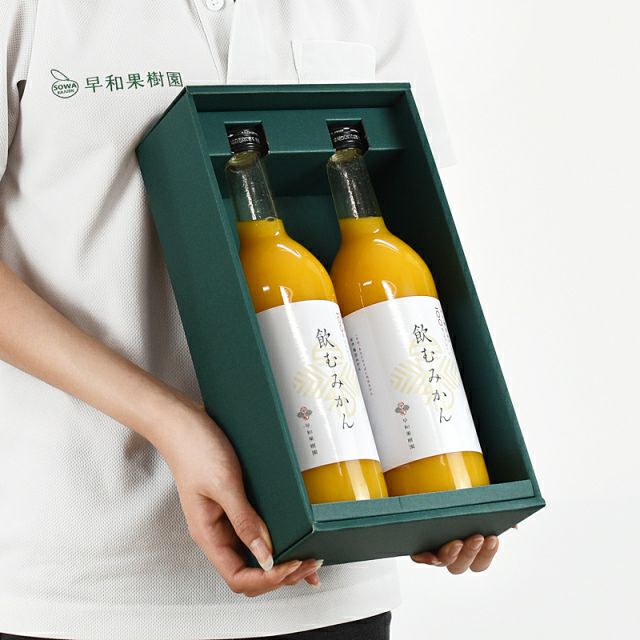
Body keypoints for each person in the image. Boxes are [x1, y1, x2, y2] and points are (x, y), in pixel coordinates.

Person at [0, 1, 499, 638]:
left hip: (335, 568)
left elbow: (405, 214)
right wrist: (174, 422)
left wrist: (445, 470)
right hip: (90, 576)